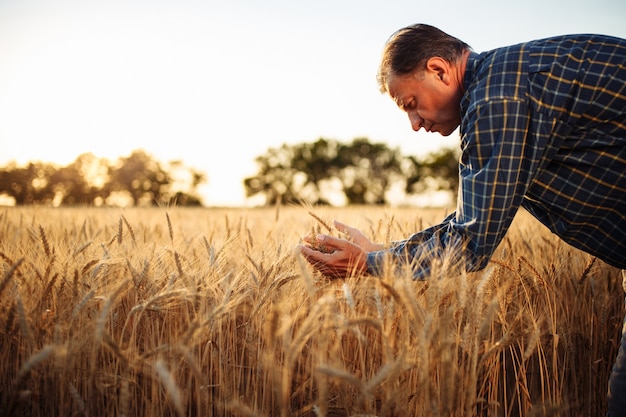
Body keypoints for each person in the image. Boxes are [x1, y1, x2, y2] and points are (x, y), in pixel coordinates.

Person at [297, 24, 626, 415]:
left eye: (411, 104)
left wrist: (368, 264)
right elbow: (470, 222)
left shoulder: (496, 99)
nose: (415, 123)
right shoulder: (509, 79)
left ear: (439, 69)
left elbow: (469, 243)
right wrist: (380, 252)